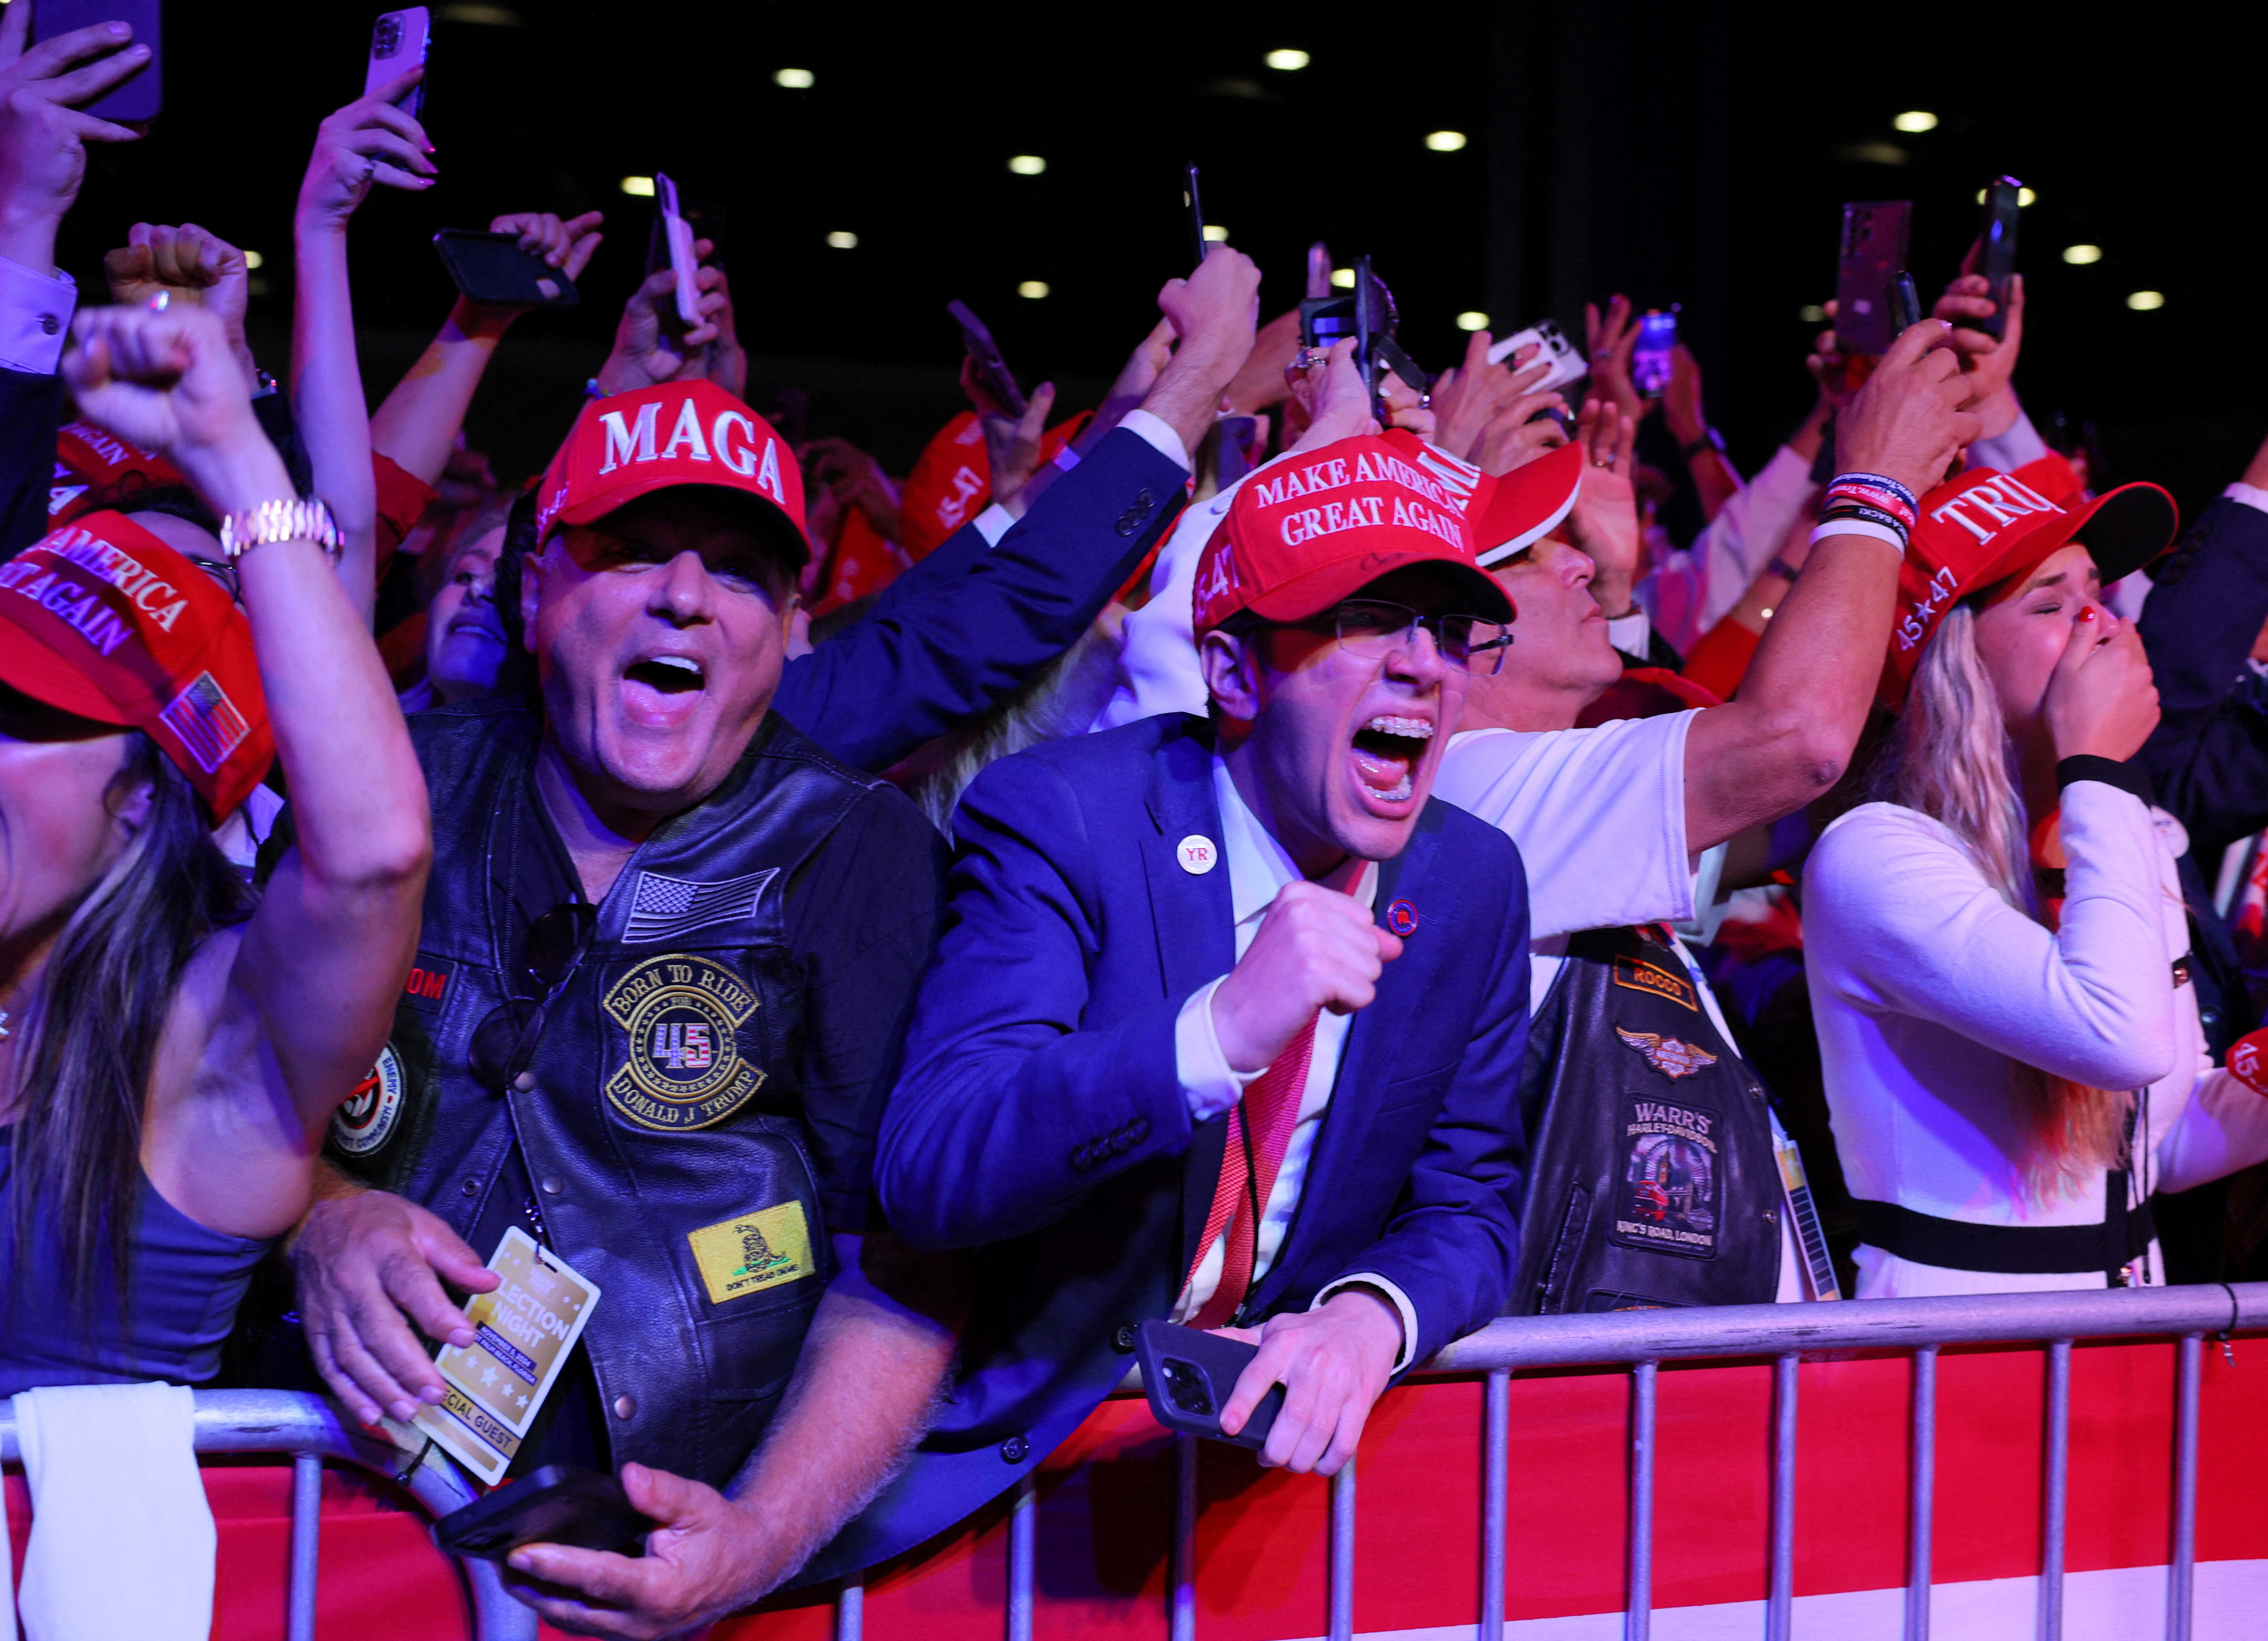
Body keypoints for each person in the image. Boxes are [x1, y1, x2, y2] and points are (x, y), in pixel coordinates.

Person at [814, 423, 1533, 1576]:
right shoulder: (1065, 818)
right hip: (1004, 1505)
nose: (1423, 666)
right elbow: (933, 1162)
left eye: (1449, 631)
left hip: (1260, 1510)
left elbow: (1471, 1201)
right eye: (1363, 620)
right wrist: (1223, 1030)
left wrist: (1370, 1316)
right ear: (1236, 672)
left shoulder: (1470, 880)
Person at [1429, 318, 1980, 1311]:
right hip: (1606, 1394)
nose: (1581, 569)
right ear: (1459, 638)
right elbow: (1796, 740)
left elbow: (1796, 783)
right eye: (1534, 557)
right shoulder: (1473, 795)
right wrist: (1874, 488)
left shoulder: (1537, 785)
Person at [1, 299, 428, 1390]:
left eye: (28, 713)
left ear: (142, 804)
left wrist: (237, 455)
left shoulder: (209, 1044)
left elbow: (372, 860)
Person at [1803, 459, 2268, 1295]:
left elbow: (2156, 1148)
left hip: (2125, 1343)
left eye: (2101, 591)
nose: (2105, 622)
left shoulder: (2124, 833)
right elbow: (2116, 1037)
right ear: (1956, 666)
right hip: (1961, 1364)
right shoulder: (1875, 856)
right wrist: (2098, 767)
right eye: (2052, 604)